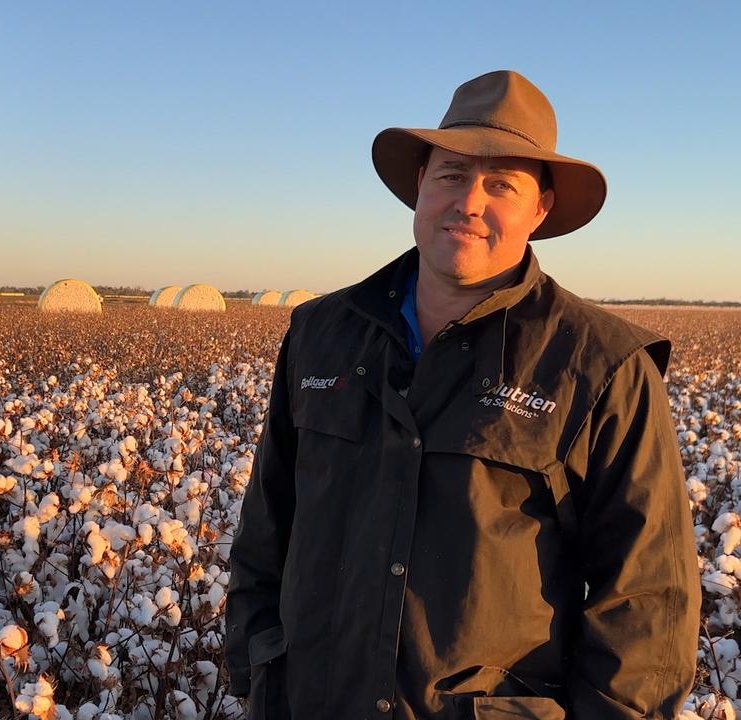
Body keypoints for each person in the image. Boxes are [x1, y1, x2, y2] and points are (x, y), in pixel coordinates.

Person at [224, 70, 700, 719]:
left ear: (540, 208)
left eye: (501, 183)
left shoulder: (602, 366)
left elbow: (648, 605)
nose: (469, 202)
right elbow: (267, 527)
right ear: (420, 185)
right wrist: (260, 666)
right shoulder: (321, 333)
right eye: (451, 174)